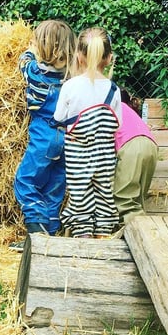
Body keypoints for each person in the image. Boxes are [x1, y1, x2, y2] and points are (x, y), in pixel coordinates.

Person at [10, 20, 76, 251]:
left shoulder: (37, 73)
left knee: (25, 180)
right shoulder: (73, 78)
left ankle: (36, 230)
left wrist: (30, 49)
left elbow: (23, 61)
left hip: (44, 136)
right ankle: (51, 235)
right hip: (69, 137)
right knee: (55, 185)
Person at [53, 27, 122, 238]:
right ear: (108, 58)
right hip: (105, 153)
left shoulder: (70, 86)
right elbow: (117, 124)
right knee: (104, 193)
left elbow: (58, 117)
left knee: (80, 194)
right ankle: (103, 235)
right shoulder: (113, 89)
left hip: (78, 153)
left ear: (79, 56)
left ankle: (83, 235)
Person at [113, 89, 158, 225]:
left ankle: (142, 232)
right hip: (151, 145)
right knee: (138, 198)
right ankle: (143, 227)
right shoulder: (129, 110)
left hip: (131, 146)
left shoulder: (112, 106)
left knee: (125, 200)